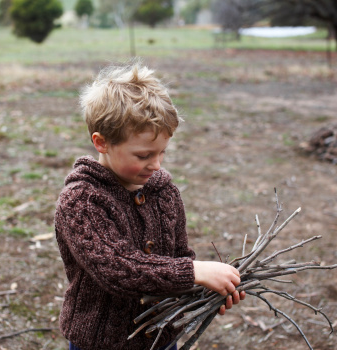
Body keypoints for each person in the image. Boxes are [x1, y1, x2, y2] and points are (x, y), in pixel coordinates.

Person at [54, 61, 245, 350]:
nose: (156, 165)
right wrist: (194, 272)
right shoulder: (82, 200)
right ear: (101, 143)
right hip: (102, 343)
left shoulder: (165, 193)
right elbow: (117, 269)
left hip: (161, 336)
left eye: (162, 152)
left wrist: (207, 290)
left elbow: (178, 257)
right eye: (144, 155)